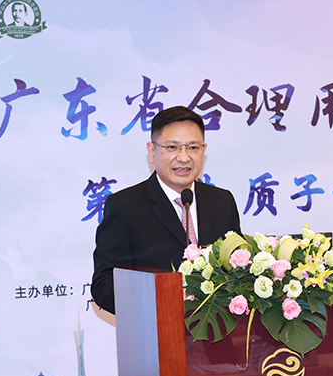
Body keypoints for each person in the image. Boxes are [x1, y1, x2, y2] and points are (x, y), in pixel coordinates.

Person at [91, 106, 241, 314]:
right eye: (172, 147)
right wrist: (161, 300)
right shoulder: (125, 206)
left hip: (218, 328)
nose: (184, 157)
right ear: (152, 152)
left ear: (203, 150)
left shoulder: (222, 201)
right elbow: (105, 285)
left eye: (193, 147)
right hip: (156, 327)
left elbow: (238, 269)